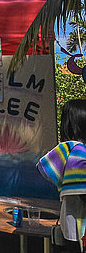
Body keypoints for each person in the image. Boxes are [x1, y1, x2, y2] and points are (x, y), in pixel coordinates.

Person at [38, 99, 86, 251]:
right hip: (79, 228)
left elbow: (44, 167)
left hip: (75, 227)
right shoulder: (78, 151)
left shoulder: (75, 150)